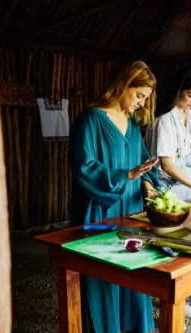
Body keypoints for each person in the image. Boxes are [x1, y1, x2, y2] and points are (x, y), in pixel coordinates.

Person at [69, 60, 160, 333]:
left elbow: (141, 162)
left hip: (130, 213)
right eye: (139, 95)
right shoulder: (91, 119)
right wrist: (127, 176)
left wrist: (147, 184)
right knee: (103, 279)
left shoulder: (132, 125)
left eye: (146, 98)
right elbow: (84, 167)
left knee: (133, 276)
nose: (142, 104)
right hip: (100, 213)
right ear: (123, 85)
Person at [144, 68, 191, 202]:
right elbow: (166, 164)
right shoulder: (164, 119)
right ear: (178, 90)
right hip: (166, 188)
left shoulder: (190, 115)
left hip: (188, 187)